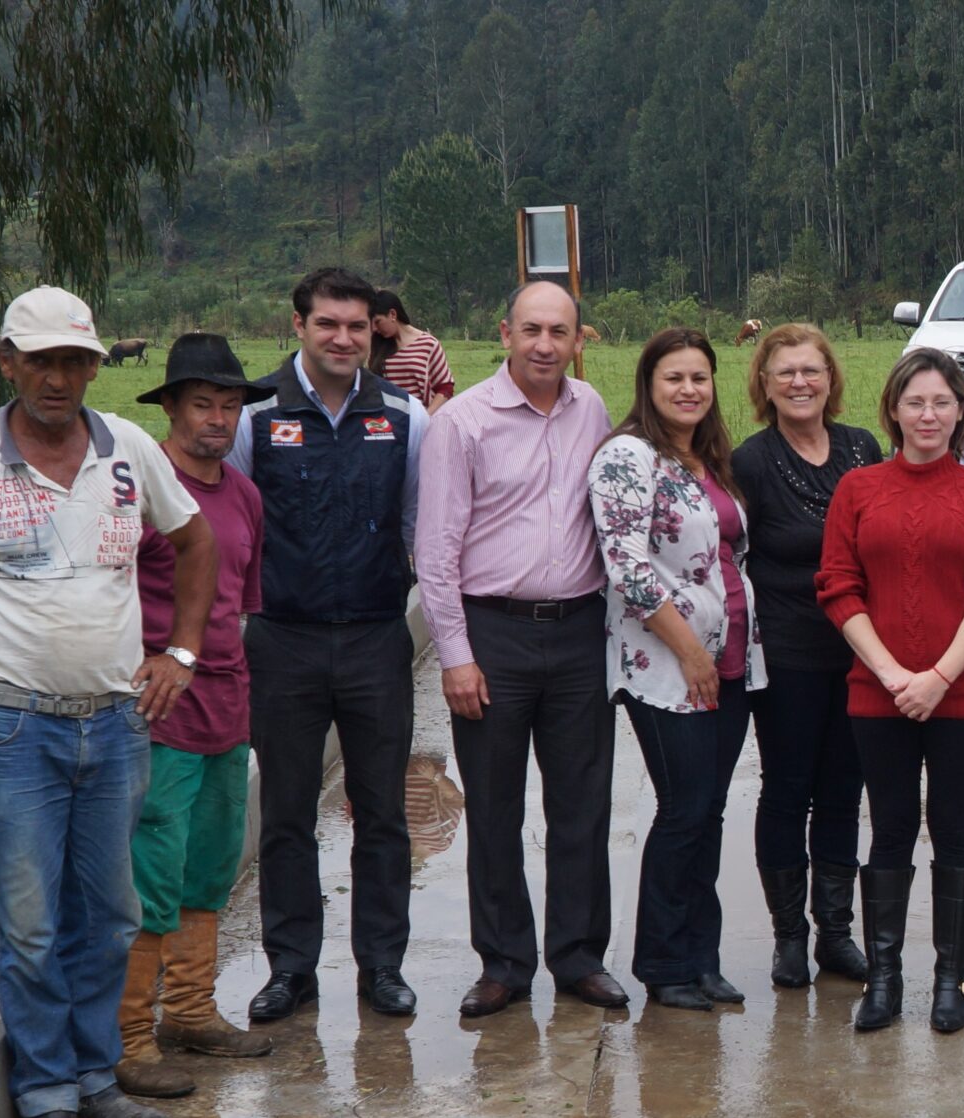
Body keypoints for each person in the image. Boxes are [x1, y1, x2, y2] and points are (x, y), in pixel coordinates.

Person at [0, 287, 218, 1118]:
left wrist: (181, 655)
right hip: (11, 728)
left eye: (75, 361)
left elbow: (196, 545)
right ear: (7, 360)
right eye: (40, 360)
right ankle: (45, 1097)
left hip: (115, 725)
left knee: (111, 915)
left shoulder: (126, 450)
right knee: (31, 922)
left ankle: (94, 1078)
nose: (58, 378)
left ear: (93, 368)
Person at [227, 267, 429, 1025]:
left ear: (373, 327)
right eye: (327, 325)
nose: (343, 338)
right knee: (284, 813)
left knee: (382, 812)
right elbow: (238, 528)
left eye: (356, 325)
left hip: (378, 638)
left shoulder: (406, 417)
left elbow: (419, 525)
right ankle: (291, 968)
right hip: (283, 642)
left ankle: (383, 965)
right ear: (298, 326)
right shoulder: (255, 417)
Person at [419, 281, 626, 1019]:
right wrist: (455, 655)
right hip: (493, 634)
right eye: (531, 329)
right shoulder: (463, 423)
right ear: (504, 332)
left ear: (578, 340)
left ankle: (577, 958)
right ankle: (504, 962)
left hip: (577, 633)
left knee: (582, 808)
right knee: (496, 809)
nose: (545, 345)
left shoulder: (591, 411)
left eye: (559, 332)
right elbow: (436, 551)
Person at [817, 349, 964, 1035]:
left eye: (941, 402)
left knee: (955, 827)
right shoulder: (859, 489)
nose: (928, 414)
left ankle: (948, 979)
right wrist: (892, 674)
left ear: (960, 410)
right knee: (892, 828)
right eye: (914, 402)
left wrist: (937, 677)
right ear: (893, 411)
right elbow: (838, 587)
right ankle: (885, 978)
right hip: (879, 694)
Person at [114, 334, 278, 1100]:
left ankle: (189, 1009)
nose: (217, 419)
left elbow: (239, 607)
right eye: (202, 404)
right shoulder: (139, 485)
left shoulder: (243, 496)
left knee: (212, 860)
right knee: (152, 865)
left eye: (229, 405)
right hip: (158, 706)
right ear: (172, 407)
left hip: (226, 700)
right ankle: (129, 1036)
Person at [588, 328, 766, 1013]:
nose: (689, 389)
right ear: (649, 386)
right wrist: (691, 652)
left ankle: (702, 957)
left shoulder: (708, 459)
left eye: (700, 377)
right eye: (674, 379)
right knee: (685, 809)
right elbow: (627, 566)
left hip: (735, 661)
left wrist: (721, 654)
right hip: (669, 665)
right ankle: (664, 964)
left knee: (710, 811)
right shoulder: (629, 457)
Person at [731, 324, 881, 990]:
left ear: (831, 378)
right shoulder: (751, 462)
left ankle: (837, 936)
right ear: (764, 383)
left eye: (810, 371)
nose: (798, 383)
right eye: (784, 372)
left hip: (858, 651)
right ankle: (790, 938)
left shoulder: (862, 449)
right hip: (787, 652)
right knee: (789, 791)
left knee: (845, 793)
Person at [372, 290, 455, 410]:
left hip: (423, 421)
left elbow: (445, 387)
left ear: (392, 314)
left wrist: (427, 417)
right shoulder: (377, 347)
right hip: (390, 423)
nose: (374, 328)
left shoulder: (428, 344)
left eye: (378, 322)